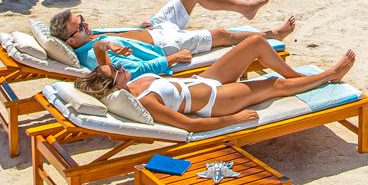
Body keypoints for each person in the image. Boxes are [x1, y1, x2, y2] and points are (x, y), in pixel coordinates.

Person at [76, 36, 354, 131]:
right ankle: (330, 74)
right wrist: (233, 119)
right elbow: (189, 125)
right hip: (216, 102)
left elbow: (100, 52)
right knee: (273, 84)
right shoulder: (145, 100)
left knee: (255, 43)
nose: (122, 67)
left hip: (205, 81)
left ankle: (301, 78)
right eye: (117, 70)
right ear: (113, 84)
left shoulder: (128, 83)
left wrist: (107, 44)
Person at [50, 0, 296, 78]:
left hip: (154, 27)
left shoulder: (90, 36)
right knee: (221, 35)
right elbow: (132, 70)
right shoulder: (93, 55)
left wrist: (138, 28)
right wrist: (172, 59)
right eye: (80, 26)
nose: (85, 23)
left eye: (81, 18)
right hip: (164, 44)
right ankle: (272, 35)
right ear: (71, 41)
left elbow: (121, 37)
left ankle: (246, 8)